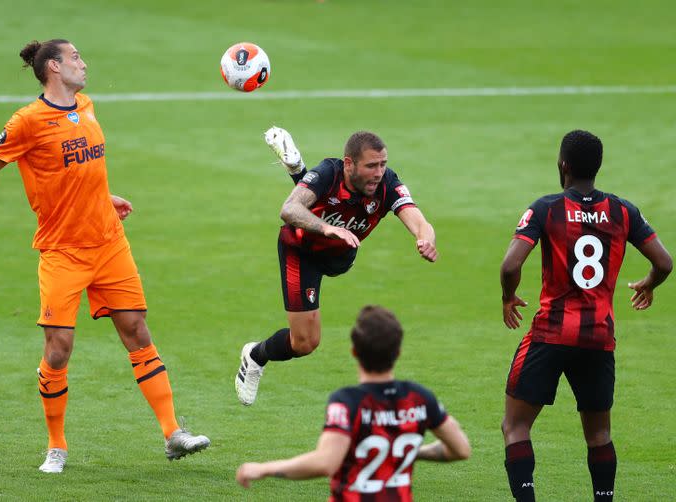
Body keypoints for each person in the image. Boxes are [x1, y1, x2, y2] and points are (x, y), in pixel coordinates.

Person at [0, 39, 209, 473]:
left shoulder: (85, 104)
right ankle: (56, 446)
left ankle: (173, 434)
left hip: (108, 241)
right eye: (76, 58)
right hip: (63, 252)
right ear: (53, 67)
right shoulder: (27, 121)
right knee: (60, 348)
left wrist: (104, 196)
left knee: (137, 330)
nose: (84, 64)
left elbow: (81, 167)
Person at [499, 130, 672, 501]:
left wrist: (508, 296)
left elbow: (511, 264)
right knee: (598, 435)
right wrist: (649, 284)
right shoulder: (624, 210)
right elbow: (664, 262)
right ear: (597, 167)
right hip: (598, 337)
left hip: (550, 334)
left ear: (563, 165)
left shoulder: (547, 208)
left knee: (515, 427)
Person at [235, 127, 438, 405]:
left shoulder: (387, 183)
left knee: (337, 229)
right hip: (301, 250)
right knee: (305, 343)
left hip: (339, 257)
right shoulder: (329, 173)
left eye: (383, 164)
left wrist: (424, 239)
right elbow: (289, 210)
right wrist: (328, 229)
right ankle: (255, 356)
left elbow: (418, 220)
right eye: (371, 166)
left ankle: (298, 172)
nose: (378, 173)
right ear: (349, 164)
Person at [236, 305, 470, 499]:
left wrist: (265, 469)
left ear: (354, 351)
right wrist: (408, 452)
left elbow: (325, 463)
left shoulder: (349, 402)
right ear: (398, 352)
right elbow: (461, 449)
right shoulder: (419, 398)